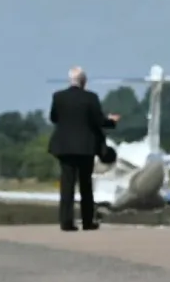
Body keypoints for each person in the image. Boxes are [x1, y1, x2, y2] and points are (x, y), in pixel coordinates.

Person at [47, 66, 119, 231]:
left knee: (67, 185)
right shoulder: (91, 98)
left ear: (70, 80)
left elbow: (54, 118)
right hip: (85, 147)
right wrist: (112, 121)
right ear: (84, 81)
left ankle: (66, 222)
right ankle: (87, 221)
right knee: (86, 185)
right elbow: (99, 121)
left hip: (64, 147)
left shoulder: (58, 97)